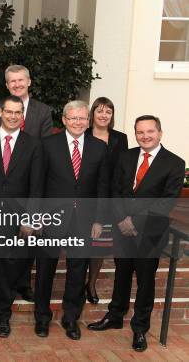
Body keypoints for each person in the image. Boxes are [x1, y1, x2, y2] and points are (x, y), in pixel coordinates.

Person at [88, 115, 185, 352]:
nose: (145, 136)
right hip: (122, 229)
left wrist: (135, 221)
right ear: (135, 133)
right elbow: (116, 189)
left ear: (160, 133)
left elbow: (166, 201)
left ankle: (140, 327)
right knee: (121, 274)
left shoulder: (174, 163)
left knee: (145, 281)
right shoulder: (126, 156)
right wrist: (122, 219)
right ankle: (115, 316)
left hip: (150, 232)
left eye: (150, 131)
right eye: (140, 132)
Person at [33, 100, 108, 341]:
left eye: (82, 118)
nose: (78, 122)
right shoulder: (47, 145)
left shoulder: (99, 147)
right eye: (73, 118)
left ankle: (70, 318)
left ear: (88, 121)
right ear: (64, 120)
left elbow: (102, 186)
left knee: (78, 270)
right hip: (51, 218)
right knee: (45, 269)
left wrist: (99, 220)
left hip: (84, 220)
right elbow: (38, 184)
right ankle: (42, 318)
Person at [0, 64, 53, 302]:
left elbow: (43, 150)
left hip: (25, 191)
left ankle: (21, 285)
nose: (17, 84)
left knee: (23, 248)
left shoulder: (42, 111)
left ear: (29, 81)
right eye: (12, 81)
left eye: (21, 80)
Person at [0, 96, 43, 338]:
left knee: (9, 270)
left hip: (18, 221)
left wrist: (29, 219)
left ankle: (3, 317)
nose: (13, 116)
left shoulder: (34, 145)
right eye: (9, 112)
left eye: (18, 112)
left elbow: (36, 187)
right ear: (0, 113)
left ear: (22, 115)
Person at [84, 97, 128, 304]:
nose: (103, 115)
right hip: (84, 196)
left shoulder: (120, 138)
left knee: (99, 244)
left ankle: (91, 283)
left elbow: (124, 169)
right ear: (92, 113)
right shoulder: (82, 134)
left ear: (112, 116)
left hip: (109, 198)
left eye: (108, 112)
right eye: (100, 111)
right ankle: (77, 280)